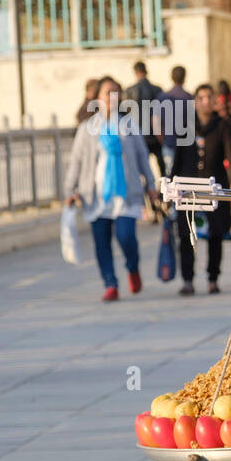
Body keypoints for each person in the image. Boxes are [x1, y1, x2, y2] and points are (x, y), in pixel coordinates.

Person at [63, 76, 160, 302]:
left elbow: (142, 156)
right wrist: (70, 191)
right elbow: (76, 161)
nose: (112, 97)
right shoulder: (87, 129)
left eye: (116, 93)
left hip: (125, 193)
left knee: (126, 237)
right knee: (101, 241)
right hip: (96, 195)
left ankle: (132, 267)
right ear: (97, 98)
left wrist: (151, 185)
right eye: (108, 93)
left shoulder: (129, 125)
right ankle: (110, 283)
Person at [171, 84, 231, 295]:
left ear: (214, 101)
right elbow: (178, 157)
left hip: (213, 186)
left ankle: (213, 278)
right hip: (187, 186)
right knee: (186, 234)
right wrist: (172, 183)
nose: (205, 101)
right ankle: (187, 280)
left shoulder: (223, 126)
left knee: (215, 233)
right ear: (195, 101)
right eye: (200, 97)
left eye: (209, 97)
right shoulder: (186, 126)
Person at [124, 60, 165, 171]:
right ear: (146, 71)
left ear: (135, 72)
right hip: (156, 134)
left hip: (138, 133)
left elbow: (126, 115)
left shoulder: (129, 91)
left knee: (140, 165)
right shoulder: (157, 90)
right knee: (162, 166)